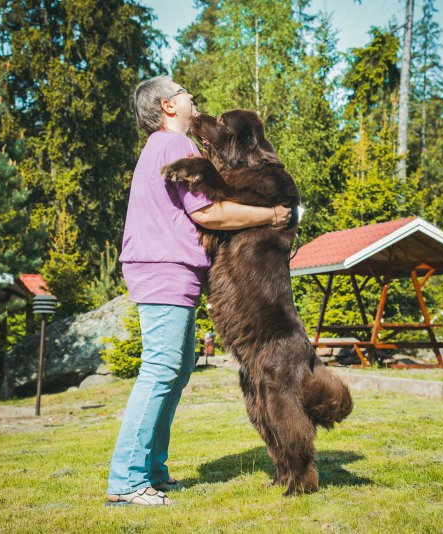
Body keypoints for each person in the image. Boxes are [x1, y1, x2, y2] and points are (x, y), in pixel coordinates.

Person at [105, 76, 291, 506]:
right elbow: (209, 212)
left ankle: (152, 469)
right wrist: (271, 214)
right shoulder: (173, 146)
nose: (194, 99)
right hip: (164, 267)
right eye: (186, 93)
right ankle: (127, 481)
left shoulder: (165, 147)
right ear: (170, 106)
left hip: (169, 269)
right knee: (160, 370)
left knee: (177, 369)